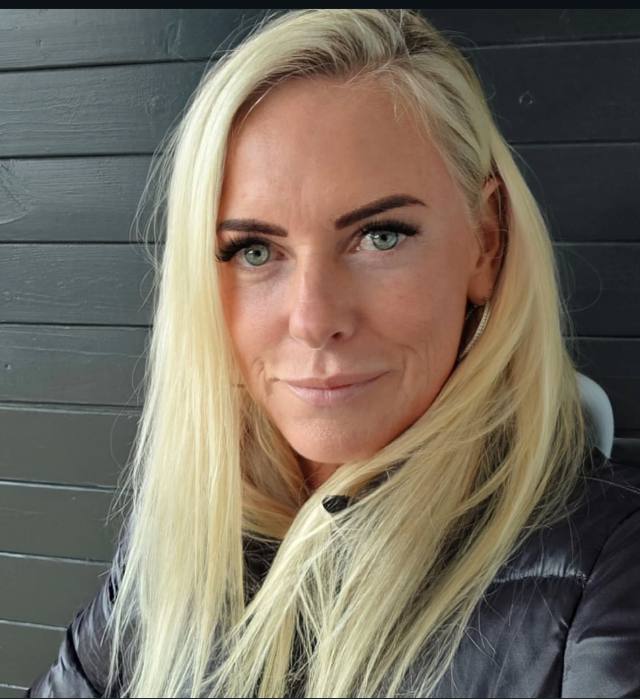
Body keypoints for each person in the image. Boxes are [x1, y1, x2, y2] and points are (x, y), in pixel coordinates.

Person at [26, 9, 640, 698]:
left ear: (486, 243)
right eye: (254, 251)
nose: (314, 320)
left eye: (381, 236)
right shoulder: (187, 534)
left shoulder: (612, 576)